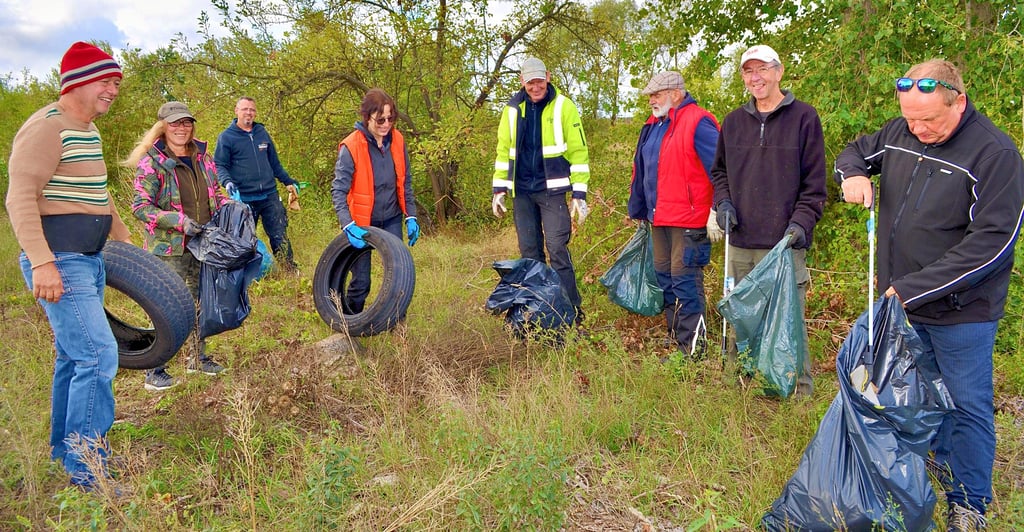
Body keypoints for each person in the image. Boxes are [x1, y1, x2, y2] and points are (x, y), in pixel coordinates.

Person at [836, 59, 1024, 530]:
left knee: (966, 405)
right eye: (910, 119)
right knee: (910, 398)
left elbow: (992, 245)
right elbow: (855, 152)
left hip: (962, 313)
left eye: (929, 121)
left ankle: (969, 503)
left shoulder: (994, 155)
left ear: (958, 101)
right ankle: (920, 481)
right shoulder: (903, 130)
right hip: (902, 307)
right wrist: (853, 175)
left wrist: (912, 290)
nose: (917, 130)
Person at [5, 41, 129, 490]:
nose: (113, 89)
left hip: (89, 260)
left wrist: (124, 241)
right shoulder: (46, 128)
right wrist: (42, 263)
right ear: (77, 81)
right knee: (98, 354)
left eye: (116, 82)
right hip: (60, 260)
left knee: (73, 357)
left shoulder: (88, 130)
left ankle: (66, 451)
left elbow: (98, 191)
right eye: (106, 81)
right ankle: (89, 471)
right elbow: (19, 198)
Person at [710, 44, 826, 397]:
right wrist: (724, 203)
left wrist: (800, 225)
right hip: (741, 240)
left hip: (783, 243)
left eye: (762, 69)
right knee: (739, 316)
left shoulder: (805, 118)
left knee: (787, 320)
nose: (755, 78)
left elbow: (814, 185)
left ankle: (797, 390)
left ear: (779, 72)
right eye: (748, 71)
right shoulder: (733, 122)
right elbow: (719, 173)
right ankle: (738, 384)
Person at [127, 101, 231, 391]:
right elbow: (140, 207)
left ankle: (197, 358)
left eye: (185, 123)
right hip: (168, 247)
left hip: (203, 242)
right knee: (164, 304)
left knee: (200, 301)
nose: (181, 128)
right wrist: (178, 221)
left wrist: (229, 208)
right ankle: (154, 368)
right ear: (163, 126)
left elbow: (215, 194)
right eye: (174, 123)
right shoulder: (153, 161)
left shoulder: (202, 156)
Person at [628, 71, 721, 357]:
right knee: (664, 277)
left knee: (685, 279)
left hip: (690, 219)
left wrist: (716, 209)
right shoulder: (654, 125)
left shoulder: (698, 121)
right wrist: (641, 209)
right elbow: (645, 170)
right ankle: (676, 337)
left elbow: (720, 169)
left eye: (657, 94)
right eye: (650, 96)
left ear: (676, 93)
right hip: (660, 217)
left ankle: (694, 348)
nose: (651, 100)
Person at [492, 57, 590, 324]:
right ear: (522, 82)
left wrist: (579, 194)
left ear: (547, 76)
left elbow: (579, 152)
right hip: (521, 192)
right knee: (530, 253)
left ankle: (571, 311)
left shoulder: (564, 107)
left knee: (557, 249)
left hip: (553, 191)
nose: (536, 86)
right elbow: (503, 151)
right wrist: (499, 187)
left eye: (540, 80)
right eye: (531, 82)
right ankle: (540, 312)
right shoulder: (511, 110)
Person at [331, 88, 419, 314]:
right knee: (361, 282)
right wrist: (348, 225)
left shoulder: (397, 141)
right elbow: (338, 191)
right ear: (367, 117)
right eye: (381, 119)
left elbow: (405, 181)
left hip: (391, 218)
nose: (386, 124)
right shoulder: (351, 147)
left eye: (391, 118)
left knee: (400, 278)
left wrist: (411, 216)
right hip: (362, 223)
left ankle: (397, 328)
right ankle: (350, 326)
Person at [214, 96, 299, 271]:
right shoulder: (227, 137)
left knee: (279, 235)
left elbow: (274, 163)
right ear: (236, 111)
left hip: (269, 196)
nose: (249, 113)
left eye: (252, 110)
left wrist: (288, 181)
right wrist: (227, 182)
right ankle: (247, 275)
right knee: (244, 239)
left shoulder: (262, 133)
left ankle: (289, 270)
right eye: (245, 109)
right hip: (244, 198)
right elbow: (220, 165)